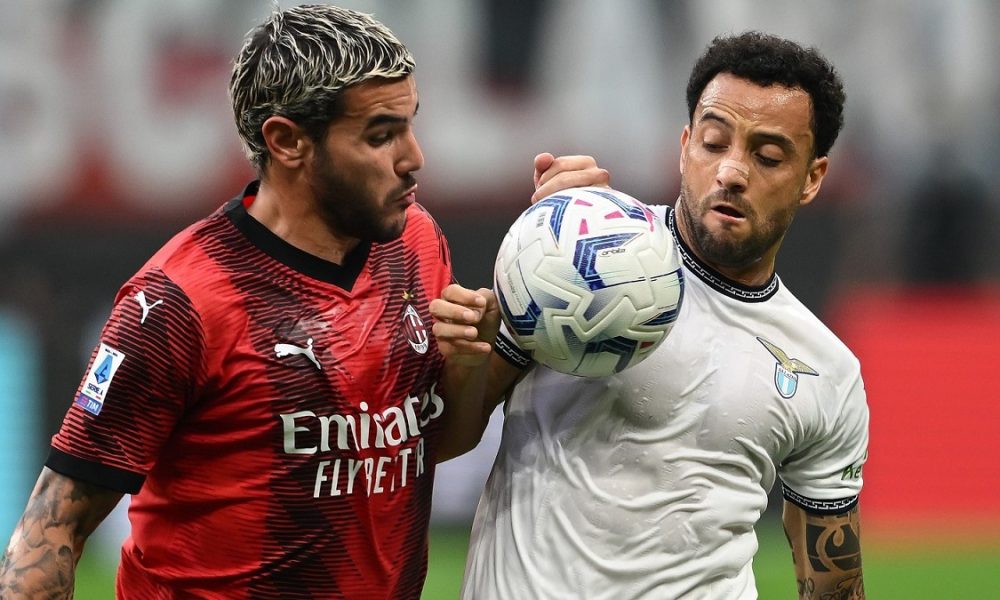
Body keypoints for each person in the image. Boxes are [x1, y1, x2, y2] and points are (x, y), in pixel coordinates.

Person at [0, 4, 608, 598]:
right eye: (381, 135)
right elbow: (53, 526)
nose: (414, 158)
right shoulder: (179, 303)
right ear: (287, 141)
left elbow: (432, 443)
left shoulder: (415, 243)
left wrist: (486, 344)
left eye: (410, 124)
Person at [431, 31, 869, 599]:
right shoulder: (578, 262)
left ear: (812, 177)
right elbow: (440, 442)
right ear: (685, 146)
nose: (732, 171)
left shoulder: (827, 370)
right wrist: (467, 360)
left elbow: (834, 585)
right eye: (714, 143)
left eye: (767, 156)